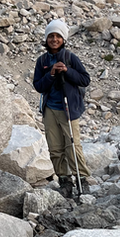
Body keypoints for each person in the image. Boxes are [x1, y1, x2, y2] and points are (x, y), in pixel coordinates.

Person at [33, 19, 91, 197]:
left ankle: (82, 179)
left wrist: (66, 70)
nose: (54, 39)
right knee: (55, 147)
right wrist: (51, 73)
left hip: (68, 108)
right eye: (51, 36)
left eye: (58, 36)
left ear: (63, 39)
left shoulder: (70, 58)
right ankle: (65, 181)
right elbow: (39, 86)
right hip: (50, 108)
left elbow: (85, 79)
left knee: (73, 145)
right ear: (46, 38)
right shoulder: (42, 61)